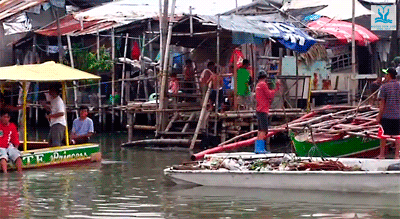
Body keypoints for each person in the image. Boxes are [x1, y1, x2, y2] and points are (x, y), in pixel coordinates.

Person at [376, 67, 400, 159]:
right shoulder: (399, 85)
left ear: (389, 75)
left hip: (387, 115)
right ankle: (397, 156)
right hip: (398, 115)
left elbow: (382, 104)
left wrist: (379, 116)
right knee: (398, 136)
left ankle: (382, 155)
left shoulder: (384, 87)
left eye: (386, 74)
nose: (384, 76)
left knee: (383, 136)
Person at [254, 71, 280, 153]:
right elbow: (270, 95)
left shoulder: (258, 85)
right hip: (263, 110)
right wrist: (276, 88)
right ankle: (260, 149)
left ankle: (258, 148)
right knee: (264, 130)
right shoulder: (263, 84)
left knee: (260, 130)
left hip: (259, 109)